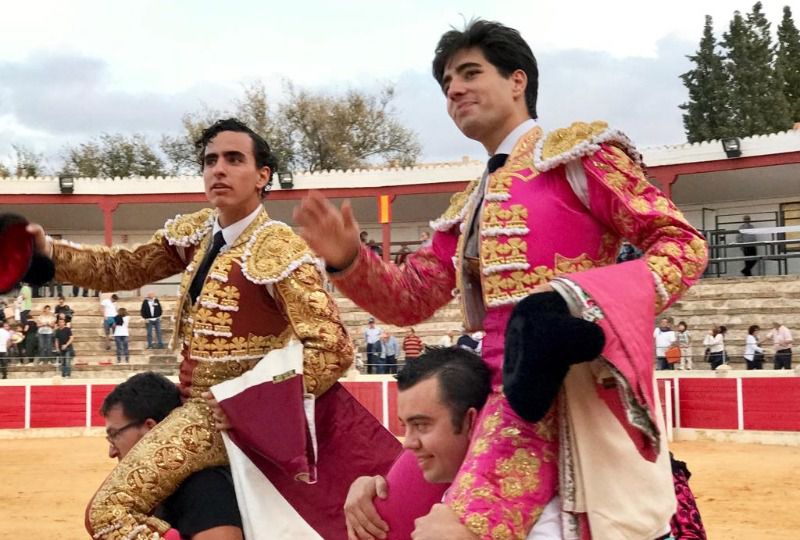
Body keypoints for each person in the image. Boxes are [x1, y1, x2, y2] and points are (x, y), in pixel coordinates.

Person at [294, 19, 706, 539]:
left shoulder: (578, 159)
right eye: (447, 83)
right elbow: (411, 299)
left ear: (518, 81)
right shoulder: (470, 204)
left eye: (470, 73)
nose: (455, 90)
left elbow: (681, 242)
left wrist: (586, 313)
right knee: (384, 521)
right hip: (488, 401)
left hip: (566, 396)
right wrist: (349, 258)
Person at [26, 118, 353, 539]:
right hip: (191, 403)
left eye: (234, 160)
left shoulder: (279, 248)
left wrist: (252, 404)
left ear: (262, 176)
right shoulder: (198, 231)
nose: (219, 169)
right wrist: (50, 251)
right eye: (210, 160)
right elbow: (126, 267)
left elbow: (333, 348)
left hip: (223, 415)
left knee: (109, 512)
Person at [344, 347, 560, 540]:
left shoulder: (534, 510)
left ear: (470, 421)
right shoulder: (449, 488)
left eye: (421, 425)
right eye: (405, 426)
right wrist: (369, 486)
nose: (408, 443)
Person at [101, 372, 243, 540]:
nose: (111, 452)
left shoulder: (203, 486)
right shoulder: (160, 486)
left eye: (115, 435)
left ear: (150, 429)